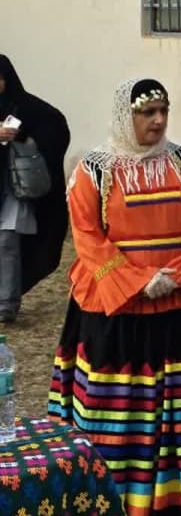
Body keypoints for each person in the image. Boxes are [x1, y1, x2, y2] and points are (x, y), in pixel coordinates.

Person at [49, 78, 181, 516]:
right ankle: (113, 497)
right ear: (125, 116)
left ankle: (179, 494)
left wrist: (177, 274)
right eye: (147, 113)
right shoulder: (95, 170)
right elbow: (85, 233)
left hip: (178, 304)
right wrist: (135, 281)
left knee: (179, 405)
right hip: (118, 309)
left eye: (163, 110)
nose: (159, 120)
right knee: (122, 405)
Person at [0, 55, 70, 323]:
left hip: (13, 188)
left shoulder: (24, 107)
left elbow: (54, 125)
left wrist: (26, 140)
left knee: (7, 242)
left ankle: (7, 303)